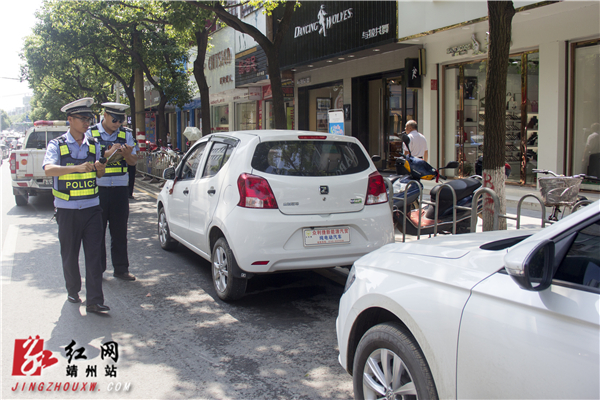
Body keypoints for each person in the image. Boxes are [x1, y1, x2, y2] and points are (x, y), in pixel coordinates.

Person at [42, 97, 109, 313]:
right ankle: (73, 290)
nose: (87, 123)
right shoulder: (57, 145)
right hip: (67, 210)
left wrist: (100, 168)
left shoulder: (94, 144)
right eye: (82, 119)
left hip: (92, 209)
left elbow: (99, 174)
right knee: (70, 255)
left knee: (94, 256)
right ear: (70, 119)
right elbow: (48, 170)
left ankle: (95, 301)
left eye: (89, 119)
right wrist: (76, 168)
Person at [87, 102, 137, 281]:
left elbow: (133, 162)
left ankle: (121, 269)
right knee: (97, 233)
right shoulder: (91, 133)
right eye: (114, 120)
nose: (117, 124)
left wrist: (126, 154)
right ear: (105, 115)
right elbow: (88, 159)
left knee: (119, 231)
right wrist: (108, 153)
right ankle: (98, 270)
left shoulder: (126, 134)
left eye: (120, 120)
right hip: (98, 189)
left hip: (120, 189)